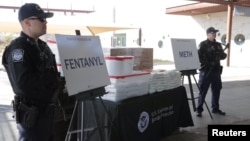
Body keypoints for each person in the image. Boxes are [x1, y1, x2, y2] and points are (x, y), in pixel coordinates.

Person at [1, 3, 64, 141]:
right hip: (32, 117)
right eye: (41, 19)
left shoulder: (43, 46)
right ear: (27, 22)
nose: (45, 22)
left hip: (49, 114)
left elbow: (52, 74)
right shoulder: (18, 49)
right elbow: (24, 85)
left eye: (45, 19)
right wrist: (51, 81)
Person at [196, 27, 228, 117]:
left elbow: (222, 56)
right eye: (212, 32)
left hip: (216, 71)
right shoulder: (203, 44)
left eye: (215, 32)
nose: (214, 34)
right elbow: (198, 57)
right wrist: (208, 63)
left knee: (217, 89)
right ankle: (199, 109)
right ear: (208, 34)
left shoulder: (218, 45)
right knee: (203, 90)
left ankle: (215, 108)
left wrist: (223, 55)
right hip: (206, 71)